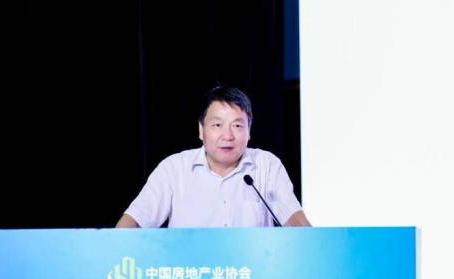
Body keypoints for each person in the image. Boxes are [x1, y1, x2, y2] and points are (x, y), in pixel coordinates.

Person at [115, 85, 311, 228]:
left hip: (252, 271)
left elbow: (297, 224)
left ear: (249, 130)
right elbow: (134, 222)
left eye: (237, 126)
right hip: (192, 272)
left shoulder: (267, 166)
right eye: (217, 125)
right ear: (201, 130)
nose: (228, 136)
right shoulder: (174, 169)